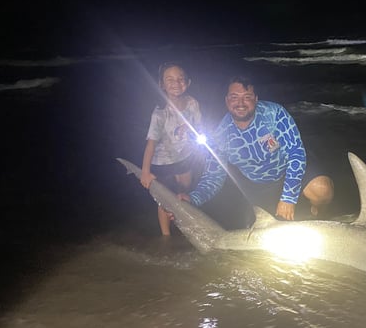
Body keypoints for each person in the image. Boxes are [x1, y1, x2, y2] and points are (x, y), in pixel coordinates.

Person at [179, 75, 333, 226]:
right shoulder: (221, 136)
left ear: (256, 99)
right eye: (234, 97)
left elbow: (296, 154)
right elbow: (213, 178)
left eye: (247, 97)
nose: (240, 103)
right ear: (227, 100)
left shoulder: (274, 114)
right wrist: (193, 199)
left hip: (286, 169)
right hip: (257, 185)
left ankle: (321, 215)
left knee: (322, 189)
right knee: (255, 235)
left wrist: (288, 198)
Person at [140, 63, 203, 235]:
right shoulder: (160, 113)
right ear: (162, 84)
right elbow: (151, 144)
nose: (176, 83)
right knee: (165, 200)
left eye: (180, 79)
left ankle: (181, 223)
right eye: (170, 80)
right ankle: (166, 235)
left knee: (183, 193)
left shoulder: (192, 104)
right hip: (163, 162)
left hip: (186, 158)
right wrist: (145, 172)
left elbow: (198, 128)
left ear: (187, 82)